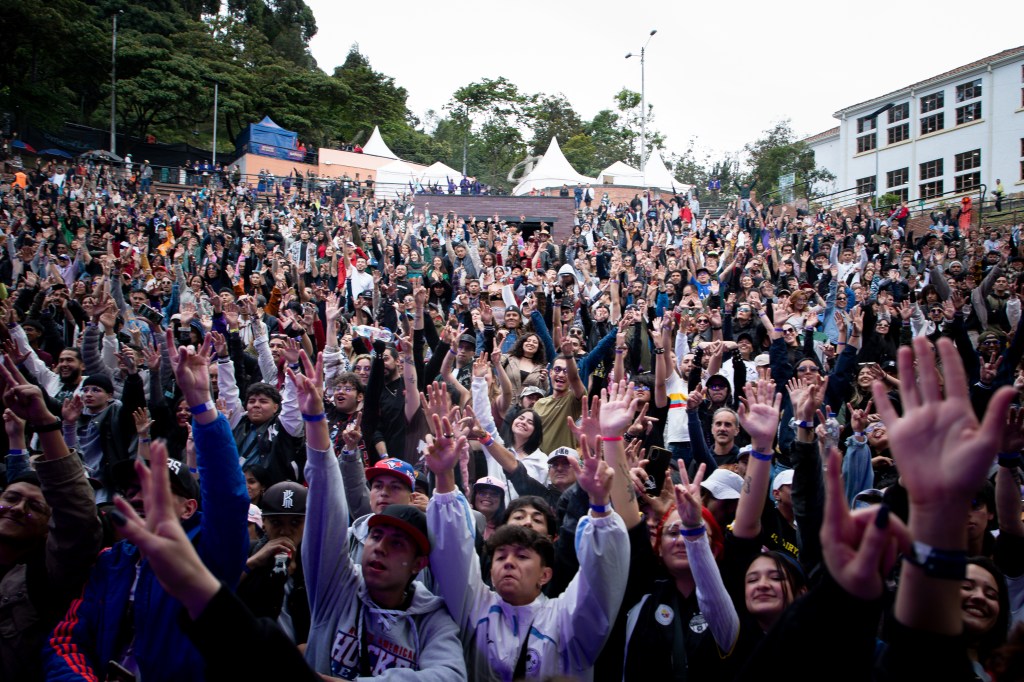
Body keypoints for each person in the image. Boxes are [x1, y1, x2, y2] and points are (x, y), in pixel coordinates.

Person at [45, 334, 250, 682]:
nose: (138, 498)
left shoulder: (208, 556)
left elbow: (228, 498)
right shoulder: (110, 560)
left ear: (188, 508)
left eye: (154, 490)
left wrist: (200, 403)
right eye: (130, 490)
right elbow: (65, 642)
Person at [288, 349, 466, 679]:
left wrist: (445, 479)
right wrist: (315, 422)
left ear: (418, 564)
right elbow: (326, 508)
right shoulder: (339, 585)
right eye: (376, 535)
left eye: (398, 543)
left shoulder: (432, 618)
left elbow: (450, 677)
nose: (380, 547)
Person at [425, 396, 630, 680]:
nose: (509, 563)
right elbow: (451, 556)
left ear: (546, 574)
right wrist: (443, 476)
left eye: (522, 556)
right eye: (501, 556)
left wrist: (598, 502)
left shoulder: (566, 618)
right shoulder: (473, 606)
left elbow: (602, 577)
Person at [0, 359, 102, 681]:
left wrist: (46, 424)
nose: (17, 509)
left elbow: (76, 514)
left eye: (35, 507)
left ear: (49, 527)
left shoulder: (47, 573)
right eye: (11, 498)